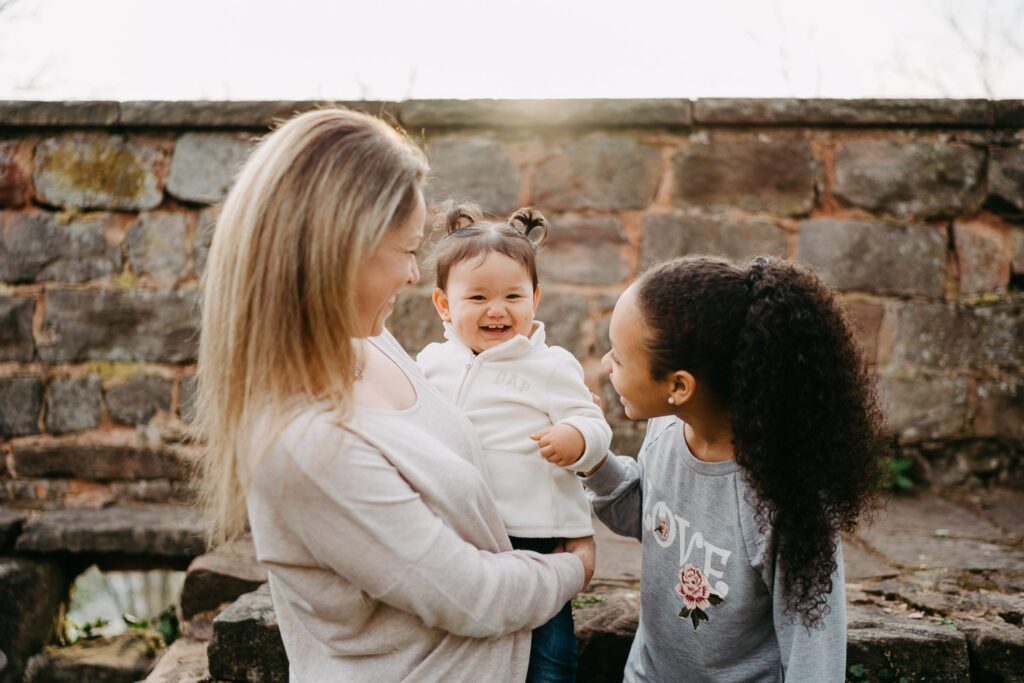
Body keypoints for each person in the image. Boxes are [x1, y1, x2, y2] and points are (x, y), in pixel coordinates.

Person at [193, 108, 595, 683]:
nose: (414, 276)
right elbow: (470, 596)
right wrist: (572, 569)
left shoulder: (369, 338)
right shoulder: (301, 441)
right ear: (336, 252)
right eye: (407, 251)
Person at [582, 255, 887, 682]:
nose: (605, 364)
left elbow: (812, 649)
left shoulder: (785, 496)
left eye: (620, 357)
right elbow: (650, 519)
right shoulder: (666, 427)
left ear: (679, 386)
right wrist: (593, 460)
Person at [416, 202, 611, 682]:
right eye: (477, 297)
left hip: (535, 535)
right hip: (461, 530)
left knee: (548, 651)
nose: (497, 310)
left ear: (535, 298)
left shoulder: (550, 365)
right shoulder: (431, 363)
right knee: (469, 638)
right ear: (444, 304)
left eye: (512, 296)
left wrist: (577, 437)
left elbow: (593, 421)